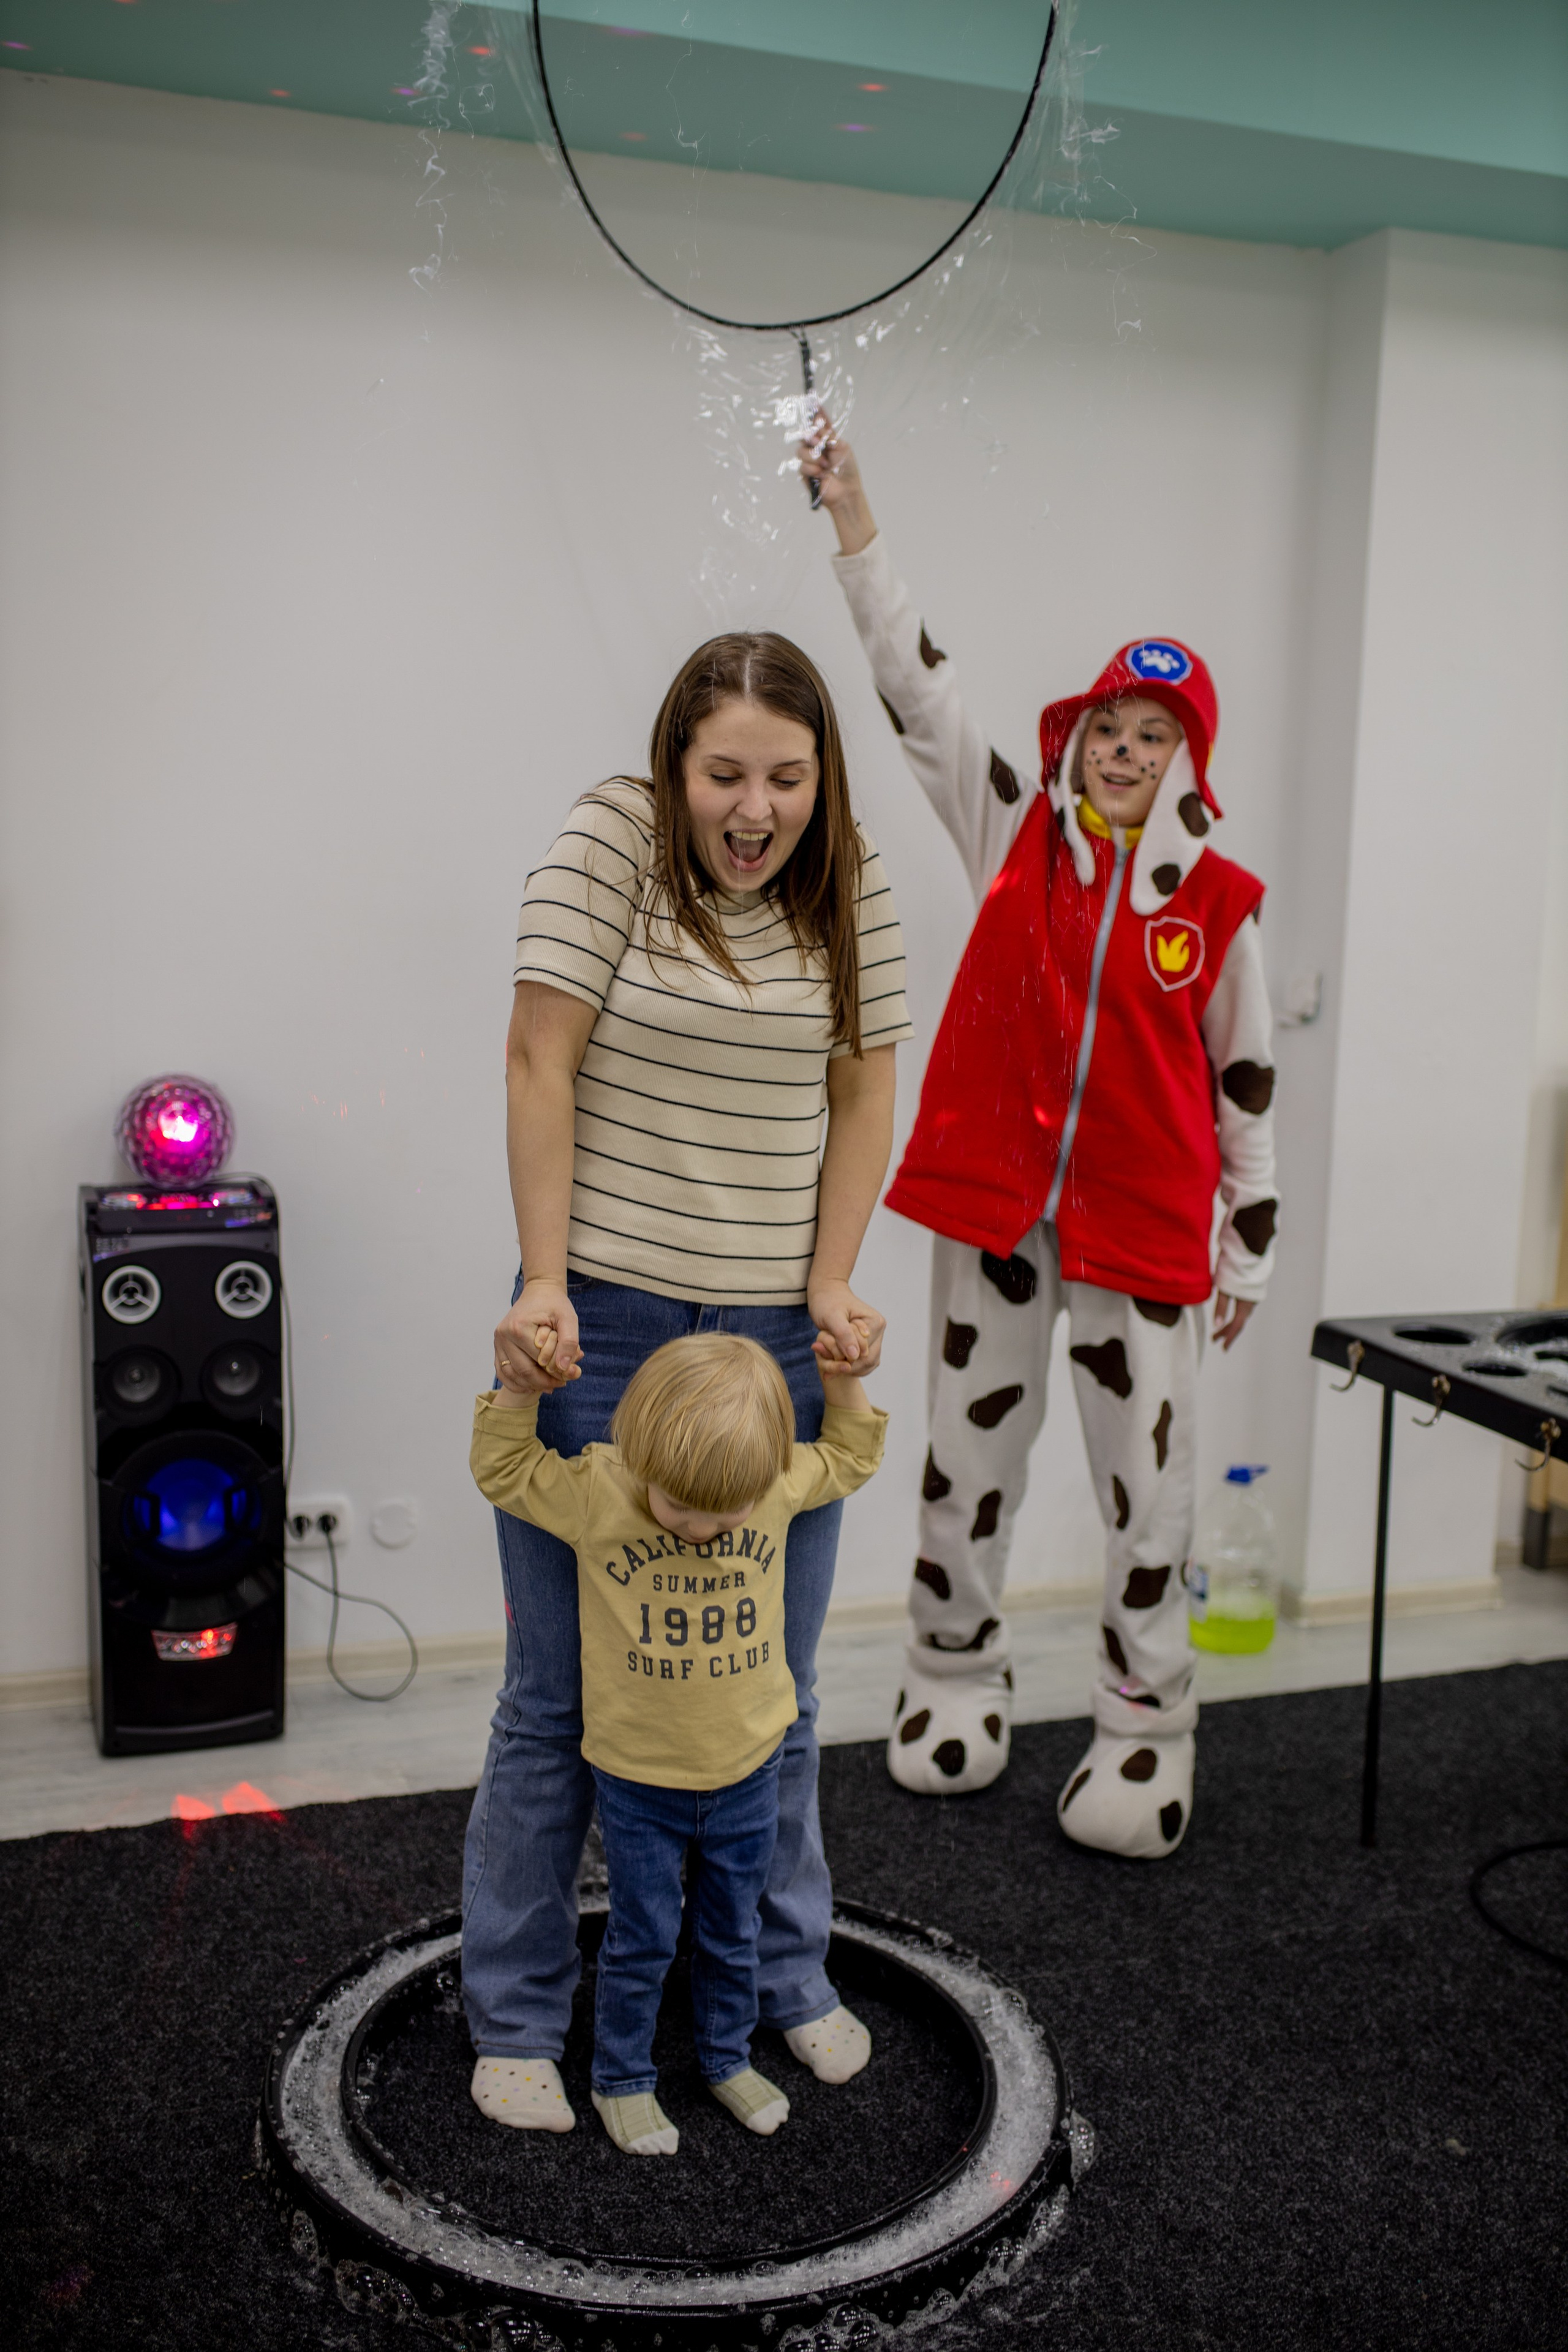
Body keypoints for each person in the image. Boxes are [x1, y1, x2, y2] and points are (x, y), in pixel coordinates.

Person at [797, 424, 1278, 1859]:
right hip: (996, 1219)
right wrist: (855, 517)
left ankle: (1143, 1732)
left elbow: (1244, 1077)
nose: (1119, 753)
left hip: (1142, 1234)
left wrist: (1245, 1242)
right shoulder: (1010, 829)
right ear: (1071, 740)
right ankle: (950, 1677)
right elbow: (913, 687)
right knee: (963, 1462)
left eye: (1150, 737)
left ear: (1185, 761)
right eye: (1103, 731)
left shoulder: (1221, 905)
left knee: (1149, 1498)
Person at [462, 630, 914, 2128]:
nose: (754, 806)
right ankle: (520, 2017)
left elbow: (865, 1088)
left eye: (784, 777)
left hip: (774, 1338)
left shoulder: (848, 876)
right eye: (724, 773)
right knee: (554, 1695)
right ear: (674, 765)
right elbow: (540, 1059)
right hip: (602, 1315)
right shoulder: (606, 842)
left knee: (768, 1689)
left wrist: (832, 1278)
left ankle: (779, 1980)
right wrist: (540, 1281)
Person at [471, 1329, 887, 2154]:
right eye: (678, 1509)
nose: (700, 1530)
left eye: (723, 1514)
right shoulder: (602, 1490)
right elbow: (507, 1472)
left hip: (747, 1773)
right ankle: (622, 2077)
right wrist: (519, 1394)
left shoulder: (770, 1485)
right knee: (643, 1937)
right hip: (638, 1781)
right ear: (636, 1454)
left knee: (732, 1932)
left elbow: (849, 1458)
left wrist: (843, 1385)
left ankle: (725, 2058)